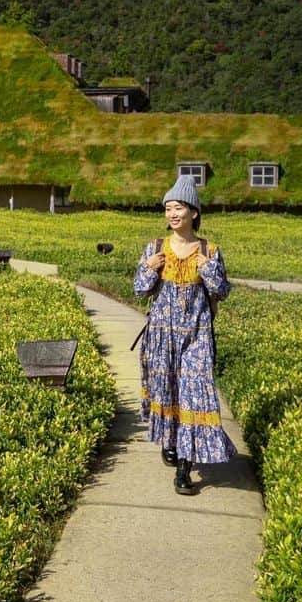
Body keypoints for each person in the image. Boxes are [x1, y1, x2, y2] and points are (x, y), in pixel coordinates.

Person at [133, 175, 237, 496]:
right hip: (161, 338)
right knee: (168, 393)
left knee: (196, 395)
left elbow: (222, 291)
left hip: (197, 337)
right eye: (167, 208)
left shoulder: (210, 249)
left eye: (178, 207)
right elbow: (139, 290)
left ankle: (184, 468)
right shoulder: (155, 248)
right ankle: (170, 441)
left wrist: (209, 270)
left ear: (193, 211)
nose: (172, 214)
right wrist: (149, 268)